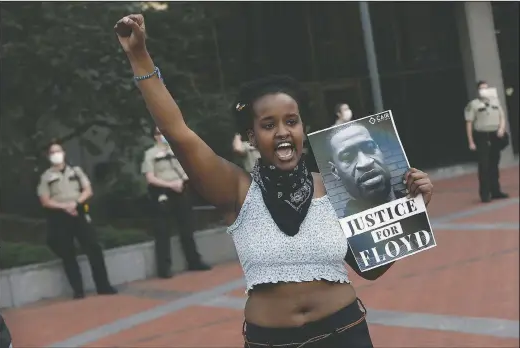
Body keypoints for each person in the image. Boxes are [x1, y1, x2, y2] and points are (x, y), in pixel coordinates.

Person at [114, 14, 434, 347]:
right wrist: (139, 57)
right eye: (269, 125)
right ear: (252, 136)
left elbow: (369, 270)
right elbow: (178, 134)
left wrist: (410, 209)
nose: (282, 131)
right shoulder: (236, 190)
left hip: (345, 334)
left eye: (291, 121)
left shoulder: (337, 183)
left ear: (303, 129)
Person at [37, 142, 117, 299]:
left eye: (58, 151)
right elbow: (45, 200)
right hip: (59, 216)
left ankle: (103, 285)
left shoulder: (76, 171)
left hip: (78, 211)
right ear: (48, 156)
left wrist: (76, 203)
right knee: (68, 253)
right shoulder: (46, 177)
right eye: (53, 152)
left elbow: (88, 190)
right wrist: (64, 206)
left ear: (64, 153)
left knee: (93, 247)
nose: (56, 154)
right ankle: (78, 290)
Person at [142, 127, 211, 278]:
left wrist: (181, 181)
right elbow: (150, 177)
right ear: (155, 136)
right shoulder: (150, 154)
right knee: (162, 231)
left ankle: (194, 261)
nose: (164, 136)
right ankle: (164, 268)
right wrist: (170, 185)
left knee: (187, 227)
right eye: (160, 133)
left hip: (181, 189)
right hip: (162, 192)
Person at [327, 123, 406, 217]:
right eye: (348, 157)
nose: (365, 163)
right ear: (335, 172)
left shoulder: (416, 199)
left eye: (370, 148)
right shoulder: (339, 229)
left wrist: (423, 200)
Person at [465, 80, 509, 203]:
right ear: (478, 91)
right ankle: (485, 194)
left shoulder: (495, 102)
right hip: (482, 136)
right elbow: (469, 123)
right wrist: (471, 142)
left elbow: (502, 116)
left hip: (495, 135)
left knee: (494, 164)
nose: (485, 91)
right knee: (484, 166)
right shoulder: (473, 105)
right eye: (482, 89)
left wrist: (501, 128)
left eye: (486, 88)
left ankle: (496, 191)